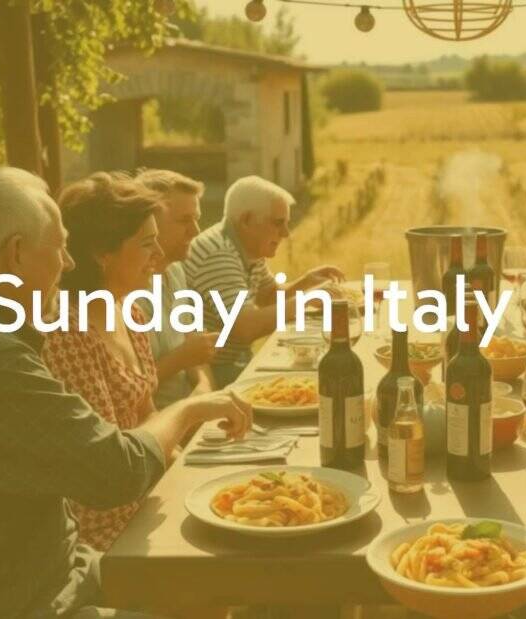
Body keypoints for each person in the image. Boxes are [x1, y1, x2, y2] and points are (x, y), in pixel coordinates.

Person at [0, 167, 249, 618]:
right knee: (211, 585)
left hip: (48, 572)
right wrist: (192, 408)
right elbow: (116, 471)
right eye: (59, 246)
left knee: (206, 581)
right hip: (12, 600)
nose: (70, 262)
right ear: (16, 254)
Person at [42, 172, 171, 551]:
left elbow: (148, 414)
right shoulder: (67, 332)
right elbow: (110, 469)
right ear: (102, 253)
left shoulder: (129, 313)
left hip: (146, 494)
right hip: (101, 530)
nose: (160, 257)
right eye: (148, 244)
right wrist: (191, 413)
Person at [183, 175, 343, 386]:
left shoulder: (247, 247)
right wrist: (306, 300)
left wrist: (306, 282)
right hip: (214, 373)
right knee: (314, 381)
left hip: (234, 363)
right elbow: (245, 328)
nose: (286, 233)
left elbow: (268, 297)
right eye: (278, 223)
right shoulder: (218, 253)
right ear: (246, 220)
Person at [135, 169, 217, 409]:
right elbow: (128, 389)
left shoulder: (176, 271)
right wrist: (182, 358)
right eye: (184, 220)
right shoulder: (129, 288)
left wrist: (204, 389)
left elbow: (196, 351)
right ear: (150, 223)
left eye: (196, 218)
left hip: (188, 411)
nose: (196, 231)